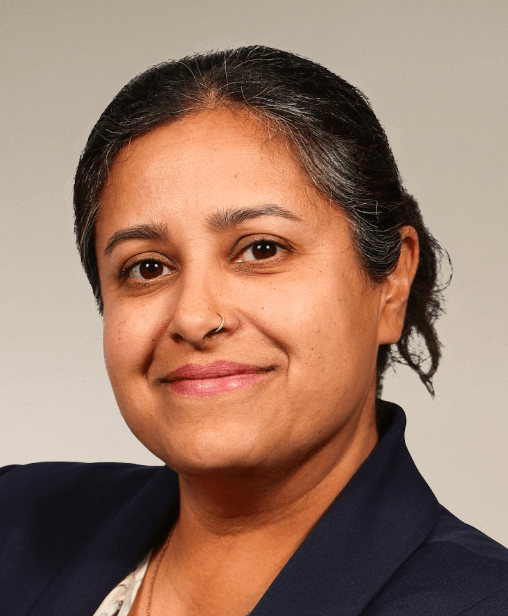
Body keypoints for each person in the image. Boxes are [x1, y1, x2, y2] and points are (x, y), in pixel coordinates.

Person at [1, 46, 507, 616]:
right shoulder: (16, 527)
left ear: (391, 284)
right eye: (147, 267)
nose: (194, 318)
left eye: (262, 249)